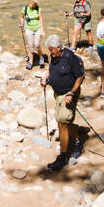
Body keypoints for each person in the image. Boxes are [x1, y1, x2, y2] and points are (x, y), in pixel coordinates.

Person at [41, 36, 85, 171]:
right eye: (49, 50)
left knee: (62, 123)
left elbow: (80, 76)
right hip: (58, 94)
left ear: (59, 48)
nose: (50, 52)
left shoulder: (70, 58)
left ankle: (63, 157)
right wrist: (46, 77)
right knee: (66, 121)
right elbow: (51, 69)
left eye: (52, 50)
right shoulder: (54, 56)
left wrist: (72, 92)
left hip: (68, 95)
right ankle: (77, 142)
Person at [21, 0, 46, 70]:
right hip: (28, 29)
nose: (36, 4)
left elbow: (40, 19)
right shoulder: (25, 8)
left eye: (36, 3)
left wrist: (42, 30)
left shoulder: (38, 8)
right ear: (31, 3)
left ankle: (41, 57)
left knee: (37, 44)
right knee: (30, 46)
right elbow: (22, 17)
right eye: (34, 3)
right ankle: (31, 62)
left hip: (37, 28)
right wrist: (21, 23)